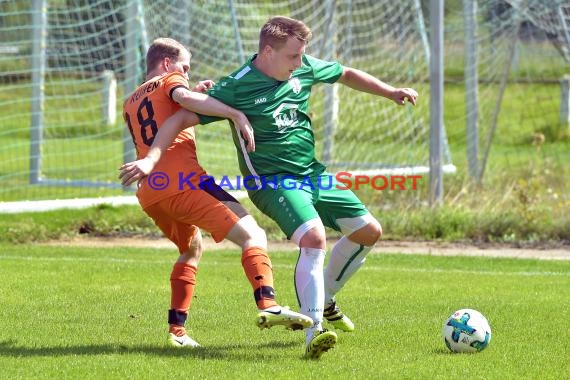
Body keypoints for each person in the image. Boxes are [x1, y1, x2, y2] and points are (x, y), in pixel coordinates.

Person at [122, 18, 418, 359]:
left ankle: (320, 298)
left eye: (301, 56)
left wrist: (390, 91)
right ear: (267, 51)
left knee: (369, 231)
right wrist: (233, 113)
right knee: (299, 237)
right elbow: (179, 109)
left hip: (308, 175)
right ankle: (308, 327)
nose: (299, 63)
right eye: (293, 56)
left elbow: (345, 73)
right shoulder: (231, 84)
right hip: (268, 181)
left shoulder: (302, 67)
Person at [118, 37, 313, 348]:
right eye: (185, 67)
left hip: (151, 191)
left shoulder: (130, 101)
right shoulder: (171, 78)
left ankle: (177, 333)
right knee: (253, 235)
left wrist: (196, 94)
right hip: (184, 182)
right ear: (167, 63)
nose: (186, 73)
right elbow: (180, 95)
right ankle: (268, 305)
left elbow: (167, 112)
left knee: (191, 249)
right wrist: (234, 113)